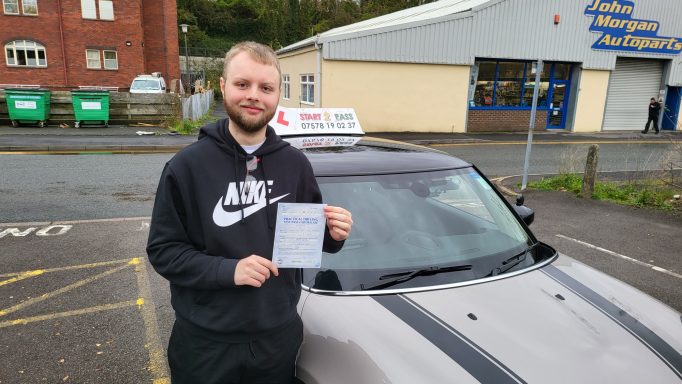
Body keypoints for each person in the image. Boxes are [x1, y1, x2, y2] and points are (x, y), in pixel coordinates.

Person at [147, 41, 353, 384]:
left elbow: (304, 237)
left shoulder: (295, 164)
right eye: (243, 84)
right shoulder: (187, 166)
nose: (254, 95)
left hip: (276, 337)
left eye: (266, 88)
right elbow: (163, 251)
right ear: (223, 86)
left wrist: (333, 236)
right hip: (205, 343)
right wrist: (229, 270)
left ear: (276, 96)